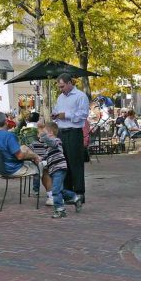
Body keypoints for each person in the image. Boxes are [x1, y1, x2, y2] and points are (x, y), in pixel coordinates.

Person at [52, 73, 89, 203]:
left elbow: (83, 114)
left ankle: (79, 193)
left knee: (76, 163)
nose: (61, 89)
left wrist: (66, 115)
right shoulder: (60, 97)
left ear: (69, 83)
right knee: (64, 162)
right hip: (62, 132)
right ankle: (68, 193)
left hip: (74, 132)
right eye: (59, 87)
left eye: (62, 86)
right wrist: (55, 115)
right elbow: (57, 111)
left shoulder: (80, 96)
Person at [36, 121, 83, 219]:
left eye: (43, 132)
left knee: (55, 190)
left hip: (59, 168)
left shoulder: (57, 141)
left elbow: (51, 143)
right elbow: (48, 155)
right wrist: (41, 159)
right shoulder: (48, 146)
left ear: (50, 133)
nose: (39, 135)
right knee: (60, 190)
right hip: (54, 169)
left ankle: (60, 209)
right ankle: (75, 197)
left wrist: (43, 132)